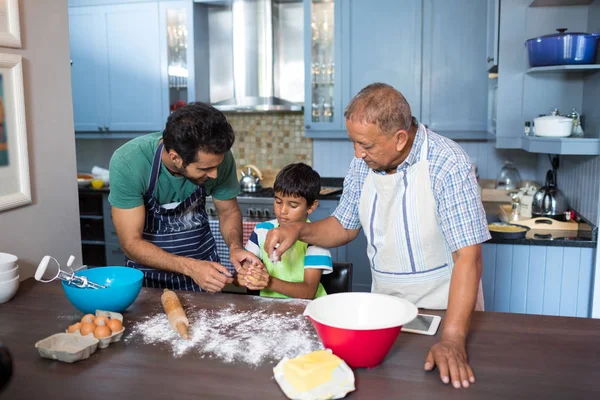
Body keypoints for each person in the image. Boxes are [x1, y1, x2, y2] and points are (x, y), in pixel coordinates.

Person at [264, 83, 490, 389]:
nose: (358, 153)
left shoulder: (447, 163)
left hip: (444, 312)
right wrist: (298, 229)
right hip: (384, 312)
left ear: (399, 139)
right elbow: (343, 227)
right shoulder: (363, 163)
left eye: (366, 146)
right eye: (354, 143)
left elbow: (468, 257)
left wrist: (451, 338)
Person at [108, 102, 266, 293]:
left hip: (204, 278)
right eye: (205, 169)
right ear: (175, 158)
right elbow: (130, 242)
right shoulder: (130, 162)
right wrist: (189, 267)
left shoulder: (215, 157)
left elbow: (228, 212)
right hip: (149, 281)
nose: (215, 175)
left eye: (217, 166)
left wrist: (235, 247)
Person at [238, 163, 332, 299]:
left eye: (293, 205)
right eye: (278, 202)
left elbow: (308, 292)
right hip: (269, 309)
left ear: (311, 206)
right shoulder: (261, 231)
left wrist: (268, 281)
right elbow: (240, 276)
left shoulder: (316, 239)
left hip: (306, 311)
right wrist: (245, 275)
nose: (283, 211)